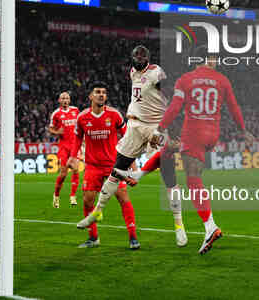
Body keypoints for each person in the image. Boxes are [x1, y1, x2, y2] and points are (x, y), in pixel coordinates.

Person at [76, 45, 187, 248]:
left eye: (143, 56)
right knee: (117, 170)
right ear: (132, 58)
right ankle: (96, 213)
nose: (139, 59)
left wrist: (172, 127)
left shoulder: (156, 72)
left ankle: (179, 225)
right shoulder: (133, 72)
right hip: (135, 126)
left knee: (169, 175)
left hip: (156, 126)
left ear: (148, 57)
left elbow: (173, 99)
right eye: (136, 56)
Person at [148, 52, 253, 254]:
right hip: (212, 133)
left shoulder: (185, 79)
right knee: (182, 163)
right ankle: (209, 225)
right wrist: (243, 130)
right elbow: (233, 107)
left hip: (194, 131)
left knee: (193, 180)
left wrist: (159, 128)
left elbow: (175, 107)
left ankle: (210, 226)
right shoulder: (223, 79)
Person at [67, 82, 139, 249]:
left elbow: (128, 139)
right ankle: (93, 238)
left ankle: (133, 238)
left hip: (114, 165)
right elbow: (77, 138)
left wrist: (133, 163)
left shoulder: (114, 115)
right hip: (92, 166)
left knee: (123, 198)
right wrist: (73, 157)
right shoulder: (82, 117)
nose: (101, 95)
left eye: (104, 93)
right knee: (87, 200)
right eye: (98, 92)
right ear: (90, 96)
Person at [48, 91, 81, 207]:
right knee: (63, 174)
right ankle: (56, 195)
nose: (65, 100)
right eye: (63, 98)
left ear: (70, 100)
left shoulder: (75, 110)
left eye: (67, 98)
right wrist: (57, 132)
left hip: (74, 146)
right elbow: (50, 129)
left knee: (76, 169)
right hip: (63, 147)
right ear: (59, 100)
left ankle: (73, 196)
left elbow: (80, 124)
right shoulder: (56, 114)